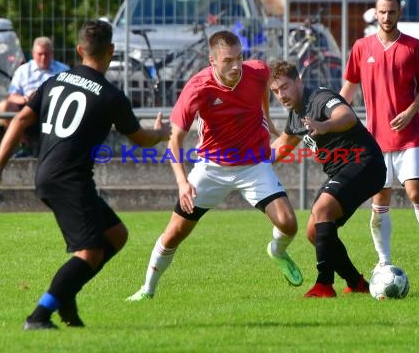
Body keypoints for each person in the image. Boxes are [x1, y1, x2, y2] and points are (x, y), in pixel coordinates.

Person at [0, 20, 170, 330]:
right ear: (112, 51)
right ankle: (40, 314)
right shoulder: (110, 95)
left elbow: (19, 120)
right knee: (90, 252)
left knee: (116, 235)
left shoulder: (56, 80)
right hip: (69, 179)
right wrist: (161, 133)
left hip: (49, 174)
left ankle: (66, 296)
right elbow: (141, 140)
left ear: (79, 50)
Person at [126, 30, 303, 302]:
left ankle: (277, 251)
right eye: (228, 60)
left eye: (239, 58)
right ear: (212, 60)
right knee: (174, 234)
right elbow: (175, 140)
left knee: (289, 224)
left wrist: (267, 121)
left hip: (253, 166)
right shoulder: (198, 88)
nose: (236, 66)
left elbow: (262, 88)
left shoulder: (255, 71)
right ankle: (146, 290)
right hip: (211, 168)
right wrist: (183, 183)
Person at [340, 0, 419, 272]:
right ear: (375, 14)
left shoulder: (414, 47)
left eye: (391, 11)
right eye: (382, 12)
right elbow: (350, 87)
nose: (387, 17)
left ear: (399, 13)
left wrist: (410, 111)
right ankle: (384, 261)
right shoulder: (362, 47)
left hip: (409, 135)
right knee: (380, 200)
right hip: (375, 139)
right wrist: (334, 114)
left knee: (415, 192)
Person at [268, 60, 386, 297]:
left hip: (365, 162)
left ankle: (324, 285)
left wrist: (325, 125)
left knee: (322, 209)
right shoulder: (295, 116)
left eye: (284, 87)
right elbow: (282, 145)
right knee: (314, 232)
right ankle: (357, 283)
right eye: (275, 91)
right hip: (342, 170)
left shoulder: (320, 98)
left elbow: (347, 116)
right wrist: (246, 163)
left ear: (298, 82)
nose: (281, 95)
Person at [0, 36, 69, 156]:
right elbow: (12, 96)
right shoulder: (23, 70)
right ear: (33, 53)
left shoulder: (63, 70)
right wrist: (26, 99)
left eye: (46, 54)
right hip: (27, 108)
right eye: (40, 54)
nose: (43, 57)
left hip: (53, 109)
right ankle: (22, 143)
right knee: (4, 106)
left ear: (52, 53)